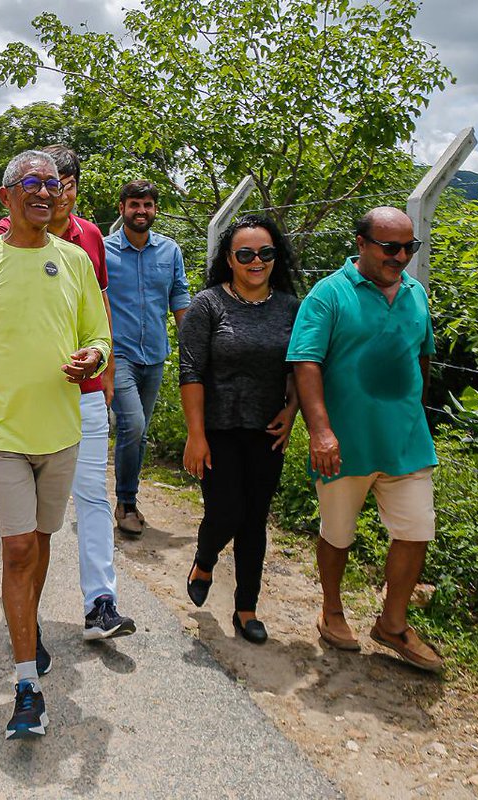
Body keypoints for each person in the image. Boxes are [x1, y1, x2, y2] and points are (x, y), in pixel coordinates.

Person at [0, 150, 111, 740]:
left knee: (40, 544)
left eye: (52, 183)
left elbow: (98, 333)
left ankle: (28, 627)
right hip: (0, 436)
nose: (44, 192)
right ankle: (25, 687)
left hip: (62, 434)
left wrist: (96, 355)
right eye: (31, 183)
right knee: (17, 551)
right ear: (7, 196)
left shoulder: (75, 262)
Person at [287, 206, 444, 674]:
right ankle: (331, 610)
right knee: (337, 534)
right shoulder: (329, 295)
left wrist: (414, 414)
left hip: (406, 442)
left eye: (408, 248)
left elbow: (423, 359)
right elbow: (306, 362)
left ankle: (392, 623)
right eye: (390, 247)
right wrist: (321, 431)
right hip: (344, 443)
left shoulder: (416, 294)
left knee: (416, 531)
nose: (400, 257)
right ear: (361, 243)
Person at [0, 145, 135, 641]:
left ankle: (101, 602)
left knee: (92, 495)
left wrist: (105, 366)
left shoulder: (89, 238)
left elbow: (100, 309)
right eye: (44, 184)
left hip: (86, 392)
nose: (56, 194)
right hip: (22, 406)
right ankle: (25, 617)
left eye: (64, 184)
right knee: (29, 532)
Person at [178, 215, 300, 644]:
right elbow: (191, 372)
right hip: (218, 429)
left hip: (267, 430)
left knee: (254, 519)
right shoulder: (208, 304)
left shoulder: (290, 306)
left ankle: (246, 607)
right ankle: (205, 558)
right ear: (229, 259)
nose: (255, 261)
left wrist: (294, 409)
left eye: (265, 253)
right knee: (226, 511)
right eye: (245, 254)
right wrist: (196, 435)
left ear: (275, 258)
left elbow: (301, 365)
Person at [104, 180, 191, 535]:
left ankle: (129, 499)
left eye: (148, 205)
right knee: (134, 425)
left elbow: (180, 298)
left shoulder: (170, 251)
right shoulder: (105, 251)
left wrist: (192, 347)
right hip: (118, 353)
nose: (141, 211)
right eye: (135, 204)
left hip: (155, 354)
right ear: (122, 208)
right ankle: (125, 502)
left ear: (155, 209)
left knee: (137, 433)